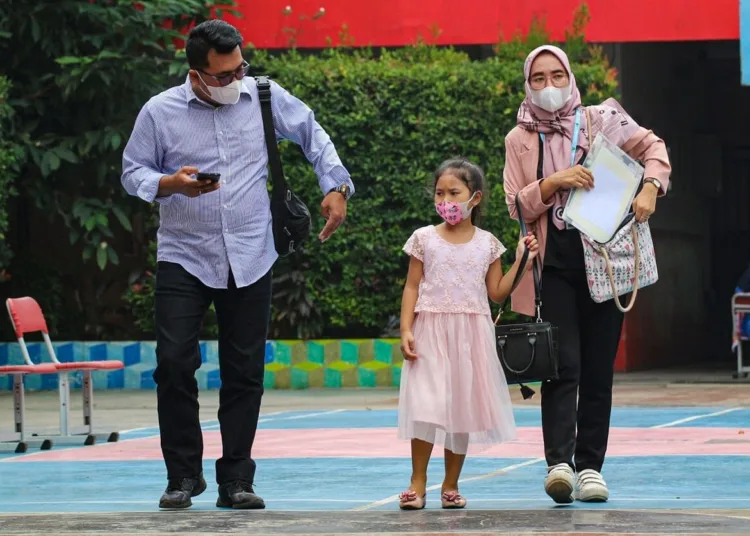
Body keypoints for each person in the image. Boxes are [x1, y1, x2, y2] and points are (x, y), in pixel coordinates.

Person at [121, 20, 354, 510]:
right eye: (222, 75)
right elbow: (131, 172)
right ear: (197, 74)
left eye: (238, 68)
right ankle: (182, 476)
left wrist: (335, 186)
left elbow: (313, 134)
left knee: (244, 370)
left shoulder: (263, 96)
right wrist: (171, 184)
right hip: (183, 255)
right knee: (173, 363)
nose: (234, 81)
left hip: (251, 252)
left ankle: (237, 480)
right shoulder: (159, 112)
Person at [503, 45, 671, 504]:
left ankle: (591, 467)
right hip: (552, 264)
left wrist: (652, 186)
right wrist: (554, 183)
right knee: (561, 363)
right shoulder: (518, 138)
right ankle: (559, 463)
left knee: (599, 366)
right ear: (527, 84)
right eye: (538, 78)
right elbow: (514, 203)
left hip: (605, 261)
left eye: (556, 75)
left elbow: (652, 147)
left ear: (570, 76)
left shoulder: (603, 119)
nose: (549, 86)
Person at [397, 158, 537, 510]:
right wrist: (405, 329)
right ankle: (418, 482)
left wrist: (522, 259)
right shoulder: (423, 239)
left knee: (459, 409)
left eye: (453, 192)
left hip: (470, 336)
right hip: (429, 331)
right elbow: (412, 286)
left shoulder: (488, 245)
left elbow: (497, 293)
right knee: (426, 406)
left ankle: (451, 483)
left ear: (474, 198)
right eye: (439, 193)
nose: (445, 199)